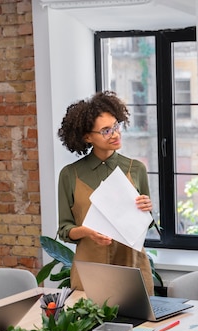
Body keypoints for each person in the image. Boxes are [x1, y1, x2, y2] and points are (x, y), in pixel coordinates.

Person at [56, 91, 154, 294]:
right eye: (106, 131)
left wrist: (146, 210)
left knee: (139, 326)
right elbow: (65, 229)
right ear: (87, 137)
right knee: (88, 324)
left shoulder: (136, 169)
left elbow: (147, 223)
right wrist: (87, 232)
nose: (116, 134)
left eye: (116, 126)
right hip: (89, 270)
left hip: (131, 267)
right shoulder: (70, 174)